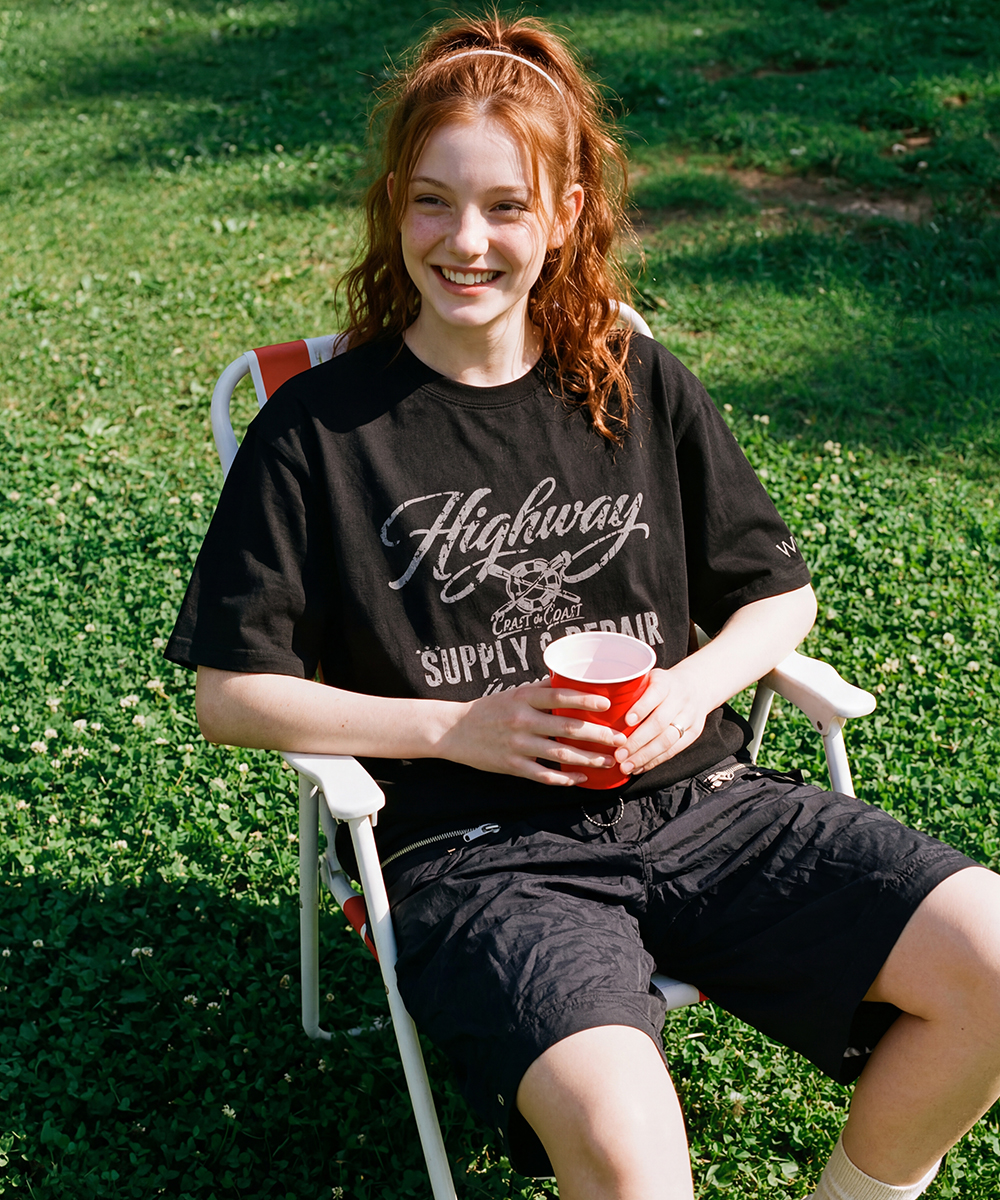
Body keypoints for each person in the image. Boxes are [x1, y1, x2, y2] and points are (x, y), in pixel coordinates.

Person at [166, 13, 1000, 1199]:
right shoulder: (317, 433)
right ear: (394, 208)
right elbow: (231, 695)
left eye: (506, 206)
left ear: (563, 215)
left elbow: (778, 596)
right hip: (479, 853)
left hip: (703, 803)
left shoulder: (629, 378)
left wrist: (693, 688)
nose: (466, 241)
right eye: (432, 202)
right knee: (623, 1148)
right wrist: (455, 728)